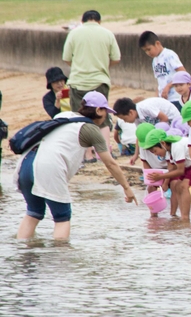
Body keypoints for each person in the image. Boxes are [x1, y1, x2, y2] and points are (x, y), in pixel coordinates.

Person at [15, 92, 137, 239]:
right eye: (105, 111)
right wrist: (127, 188)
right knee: (62, 217)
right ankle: (62, 258)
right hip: (48, 167)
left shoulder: (63, 116)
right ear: (98, 110)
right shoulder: (90, 129)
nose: (106, 116)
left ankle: (24, 254)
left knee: (33, 213)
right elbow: (110, 163)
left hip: (26, 164)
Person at [62, 10, 121, 158]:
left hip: (78, 81)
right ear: (99, 21)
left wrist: (78, 67)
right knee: (103, 117)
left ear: (83, 21)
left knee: (79, 118)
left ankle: (87, 154)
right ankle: (105, 152)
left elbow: (66, 58)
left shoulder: (74, 33)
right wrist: (103, 67)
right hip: (99, 80)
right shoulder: (107, 34)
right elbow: (116, 58)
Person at [143, 128, 191, 223]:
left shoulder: (177, 147)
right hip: (188, 166)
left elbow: (180, 171)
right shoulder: (168, 151)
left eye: (155, 151)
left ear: (163, 143)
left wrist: (160, 177)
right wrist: (163, 179)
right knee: (178, 186)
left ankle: (186, 218)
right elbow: (171, 168)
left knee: (183, 186)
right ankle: (183, 216)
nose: (155, 154)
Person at [138, 31, 186, 110]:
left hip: (176, 98)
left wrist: (168, 86)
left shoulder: (169, 55)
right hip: (164, 100)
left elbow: (183, 73)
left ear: (157, 44)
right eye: (145, 51)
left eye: (149, 49)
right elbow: (159, 82)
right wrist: (156, 98)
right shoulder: (154, 61)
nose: (148, 53)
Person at [113, 97, 182, 126]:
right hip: (162, 123)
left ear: (131, 112)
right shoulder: (136, 118)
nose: (125, 121)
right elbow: (140, 135)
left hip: (173, 120)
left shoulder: (145, 107)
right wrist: (136, 155)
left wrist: (156, 133)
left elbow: (164, 118)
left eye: (124, 119)